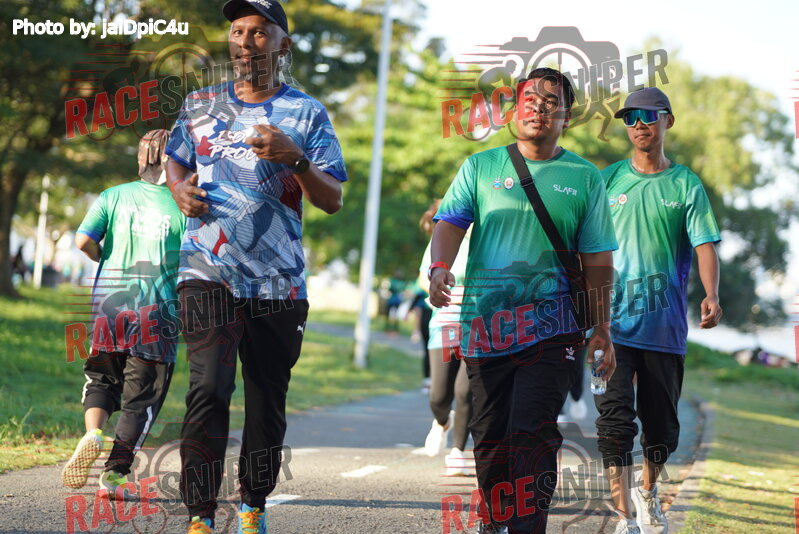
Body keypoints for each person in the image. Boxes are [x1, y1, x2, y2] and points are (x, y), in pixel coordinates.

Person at [164, 1, 346, 532]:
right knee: (209, 388)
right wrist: (178, 189)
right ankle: (200, 514)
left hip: (278, 281)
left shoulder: (307, 114)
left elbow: (332, 199)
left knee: (266, 400)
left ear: (283, 45)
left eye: (260, 33)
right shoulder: (200, 104)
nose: (246, 41)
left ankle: (252, 505)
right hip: (206, 269)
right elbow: (177, 157)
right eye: (238, 31)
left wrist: (295, 158)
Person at [429, 67, 618, 534]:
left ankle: (527, 527)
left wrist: (602, 328)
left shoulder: (584, 177)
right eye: (529, 100)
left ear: (567, 117)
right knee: (490, 435)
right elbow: (450, 222)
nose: (538, 108)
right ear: (514, 110)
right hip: (485, 326)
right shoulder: (481, 167)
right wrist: (440, 266)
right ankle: (494, 519)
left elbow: (598, 259)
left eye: (551, 102)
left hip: (554, 328)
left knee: (533, 432)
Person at [597, 87, 722, 534]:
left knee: (662, 431)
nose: (638, 125)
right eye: (630, 117)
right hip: (610, 325)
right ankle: (623, 518)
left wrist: (711, 293)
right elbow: (582, 243)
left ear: (668, 120)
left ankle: (647, 494)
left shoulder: (685, 184)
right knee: (614, 424)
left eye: (647, 116)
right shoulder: (607, 180)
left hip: (663, 327)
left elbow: (705, 243)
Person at [62, 129, 185, 498]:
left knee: (101, 380)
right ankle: (113, 476)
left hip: (109, 307)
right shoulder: (183, 207)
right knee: (140, 400)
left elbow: (83, 240)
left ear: (140, 159)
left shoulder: (112, 196)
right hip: (157, 313)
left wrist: (104, 257)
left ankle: (93, 433)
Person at [417, 199, 472, 476]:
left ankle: (458, 452)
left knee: (465, 391)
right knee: (438, 397)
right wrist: (437, 286)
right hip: (444, 324)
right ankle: (442, 422)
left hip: (478, 325)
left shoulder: (487, 241)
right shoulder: (443, 241)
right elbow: (422, 278)